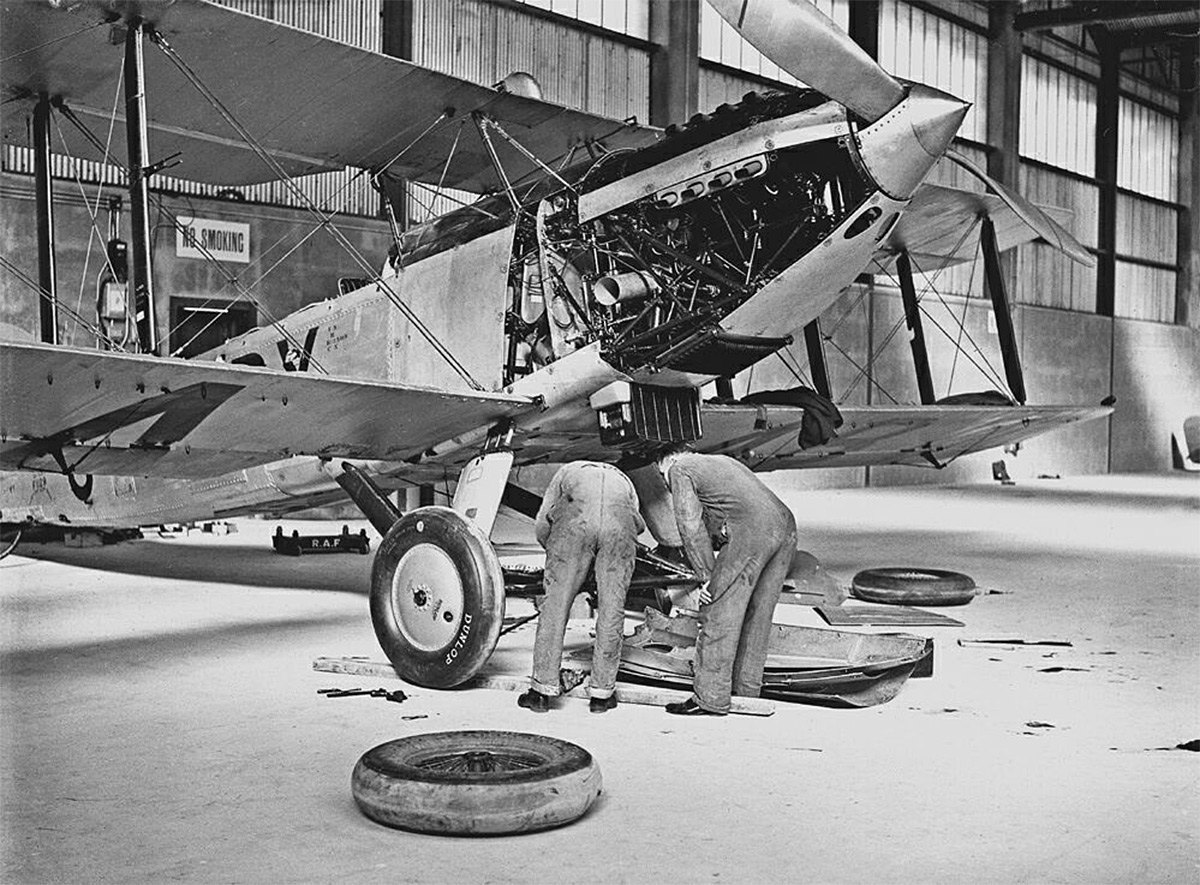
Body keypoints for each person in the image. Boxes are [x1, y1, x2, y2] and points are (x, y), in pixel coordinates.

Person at [656, 446, 797, 716]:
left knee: (718, 608)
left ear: (667, 459)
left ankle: (710, 698)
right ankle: (747, 692)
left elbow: (690, 524)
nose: (665, 482)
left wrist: (706, 577)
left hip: (755, 530)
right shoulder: (719, 461)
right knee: (757, 614)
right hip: (786, 525)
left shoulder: (679, 469)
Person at [518, 461, 645, 714]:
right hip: (619, 524)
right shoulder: (624, 480)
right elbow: (637, 525)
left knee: (555, 606)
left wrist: (559, 561)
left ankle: (542, 692)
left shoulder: (568, 471)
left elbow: (543, 523)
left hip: (575, 522)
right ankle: (602, 695)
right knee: (612, 609)